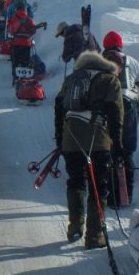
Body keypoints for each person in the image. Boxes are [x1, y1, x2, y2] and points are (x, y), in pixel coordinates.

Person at [54, 51, 123, 248]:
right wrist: (117, 145)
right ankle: (95, 236)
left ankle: (75, 226)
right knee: (98, 186)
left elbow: (59, 107)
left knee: (76, 181)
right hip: (98, 140)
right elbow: (116, 115)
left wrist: (60, 139)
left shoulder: (72, 79)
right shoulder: (110, 80)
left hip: (71, 138)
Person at [101, 30, 139, 205]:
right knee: (127, 152)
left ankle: (109, 195)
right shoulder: (133, 62)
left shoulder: (100, 60)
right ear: (120, 45)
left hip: (107, 108)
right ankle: (126, 195)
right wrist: (138, 105)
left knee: (107, 151)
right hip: (129, 108)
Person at [6, 0, 46, 84]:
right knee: (26, 61)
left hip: (15, 44)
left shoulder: (14, 18)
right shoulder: (28, 19)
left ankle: (16, 78)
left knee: (15, 62)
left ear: (16, 8)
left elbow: (10, 30)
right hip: (27, 44)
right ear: (24, 8)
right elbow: (33, 30)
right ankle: (26, 78)